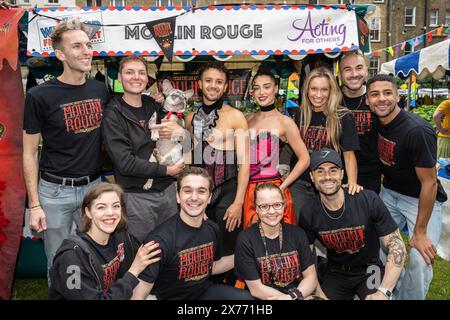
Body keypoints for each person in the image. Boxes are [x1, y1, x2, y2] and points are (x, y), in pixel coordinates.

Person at [22, 19, 109, 279]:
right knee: (59, 262)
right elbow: (29, 152)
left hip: (93, 188)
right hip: (55, 192)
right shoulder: (39, 96)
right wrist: (35, 205)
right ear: (60, 54)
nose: (86, 51)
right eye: (77, 46)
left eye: (88, 44)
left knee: (96, 257)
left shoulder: (100, 89)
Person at [366, 74, 447, 300]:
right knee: (376, 246)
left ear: (397, 95)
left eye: (387, 93)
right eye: (374, 94)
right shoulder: (375, 124)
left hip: (421, 198)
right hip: (390, 193)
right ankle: (385, 294)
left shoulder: (416, 131)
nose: (381, 99)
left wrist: (420, 232)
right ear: (367, 100)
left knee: (421, 259)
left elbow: (429, 183)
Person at [298, 148, 406, 300]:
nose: (327, 176)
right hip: (336, 272)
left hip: (370, 269)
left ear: (342, 174)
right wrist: (316, 290)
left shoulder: (367, 199)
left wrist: (383, 291)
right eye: (320, 171)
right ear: (312, 177)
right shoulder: (308, 212)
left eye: (333, 170)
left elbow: (397, 246)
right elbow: (306, 256)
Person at [131, 167, 254, 300]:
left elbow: (212, 266)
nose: (194, 197)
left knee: (246, 299)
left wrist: (249, 253)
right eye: (187, 191)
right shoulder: (158, 241)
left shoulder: (212, 228)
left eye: (201, 191)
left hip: (203, 293)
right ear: (178, 196)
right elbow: (139, 293)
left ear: (209, 197)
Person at [102, 55, 185, 243]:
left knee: (169, 247)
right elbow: (125, 163)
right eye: (129, 72)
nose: (136, 77)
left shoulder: (154, 105)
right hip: (136, 196)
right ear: (120, 77)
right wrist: (167, 170)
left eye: (141, 73)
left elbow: (179, 133)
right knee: (142, 251)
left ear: (148, 79)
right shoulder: (113, 113)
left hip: (166, 192)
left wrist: (180, 131)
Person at [48, 183, 161, 300]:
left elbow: (147, 261)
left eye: (116, 206)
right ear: (88, 212)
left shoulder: (121, 237)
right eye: (101, 207)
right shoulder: (71, 256)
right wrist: (133, 271)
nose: (110, 213)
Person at [185, 61, 250, 258]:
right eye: (209, 80)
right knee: (202, 248)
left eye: (219, 82)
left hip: (227, 192)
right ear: (199, 84)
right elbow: (190, 158)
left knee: (229, 249)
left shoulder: (236, 116)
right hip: (199, 194)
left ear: (225, 86)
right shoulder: (190, 118)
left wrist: (238, 202)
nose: (213, 85)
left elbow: (244, 163)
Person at [289, 66, 361, 216]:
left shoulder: (343, 117)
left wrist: (352, 182)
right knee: (301, 225)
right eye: (314, 89)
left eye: (324, 90)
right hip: (300, 183)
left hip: (328, 182)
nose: (318, 95)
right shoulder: (300, 115)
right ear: (307, 90)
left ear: (331, 91)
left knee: (326, 228)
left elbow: (349, 154)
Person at [244, 69, 310, 228]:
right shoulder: (246, 119)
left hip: (274, 190)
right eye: (257, 87)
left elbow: (305, 159)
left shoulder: (284, 122)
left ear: (275, 88)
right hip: (249, 189)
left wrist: (282, 186)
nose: (261, 92)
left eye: (266, 87)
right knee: (253, 241)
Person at [235, 182, 318, 300]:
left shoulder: (298, 234)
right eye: (264, 206)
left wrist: (291, 297)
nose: (272, 211)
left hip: (296, 295)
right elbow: (256, 289)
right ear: (256, 208)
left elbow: (311, 278)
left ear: (284, 205)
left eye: (277, 205)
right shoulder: (245, 239)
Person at [338, 52, 381, 193]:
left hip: (371, 176)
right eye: (348, 69)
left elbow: (395, 129)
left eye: (359, 68)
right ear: (339, 74)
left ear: (366, 71)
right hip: (336, 175)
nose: (354, 74)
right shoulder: (331, 99)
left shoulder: (377, 99)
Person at [433, 84, 450, 158]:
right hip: (446, 138)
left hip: (446, 139)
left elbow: (436, 116)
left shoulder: (447, 103)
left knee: (443, 165)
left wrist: (440, 128)